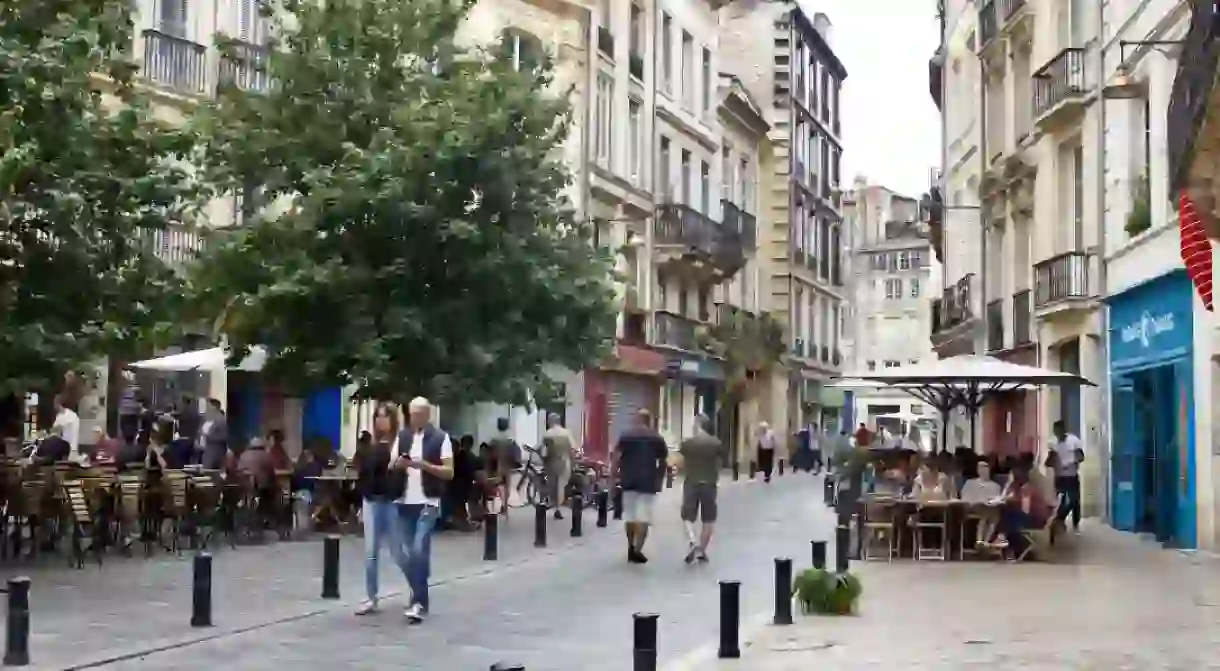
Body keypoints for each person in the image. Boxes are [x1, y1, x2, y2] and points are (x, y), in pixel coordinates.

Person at [393, 396, 454, 623]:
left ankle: (417, 602)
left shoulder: (441, 438)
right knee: (408, 555)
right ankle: (421, 596)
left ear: (428, 414)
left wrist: (423, 465)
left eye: (418, 414)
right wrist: (398, 464)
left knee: (418, 550)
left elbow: (449, 472)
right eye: (411, 414)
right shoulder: (403, 437)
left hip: (428, 502)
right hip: (404, 502)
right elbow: (392, 465)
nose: (414, 418)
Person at [354, 402, 411, 617]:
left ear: (393, 420)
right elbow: (364, 474)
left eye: (385, 417)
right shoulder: (371, 446)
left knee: (397, 552)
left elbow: (401, 475)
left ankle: (416, 588)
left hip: (390, 503)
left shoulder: (399, 445)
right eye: (378, 417)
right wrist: (365, 494)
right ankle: (371, 597)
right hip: (371, 501)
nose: (380, 421)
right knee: (371, 552)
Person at [612, 409, 668, 564]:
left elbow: (616, 458)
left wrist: (613, 478)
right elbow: (663, 461)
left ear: (637, 420)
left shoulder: (626, 436)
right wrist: (660, 479)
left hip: (628, 481)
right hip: (648, 482)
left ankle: (630, 546)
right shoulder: (656, 438)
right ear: (649, 421)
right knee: (644, 518)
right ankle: (638, 550)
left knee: (630, 516)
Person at [676, 415, 722, 563]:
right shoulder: (716, 443)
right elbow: (720, 463)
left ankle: (692, 541)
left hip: (691, 482)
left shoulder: (687, 444)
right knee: (709, 518)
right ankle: (701, 550)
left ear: (698, 425)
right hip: (709, 483)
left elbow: (680, 463)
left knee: (687, 516)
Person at [987, 462, 1051, 558]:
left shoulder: (1027, 489)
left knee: (1009, 515)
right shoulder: (1022, 487)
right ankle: (1000, 539)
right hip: (1032, 518)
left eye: (1011, 475)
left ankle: (998, 539)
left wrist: (1013, 501)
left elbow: (1025, 510)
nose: (1008, 477)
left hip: (1035, 520)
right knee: (1008, 515)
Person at [1049, 420, 1083, 533]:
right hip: (1059, 477)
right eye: (1055, 432)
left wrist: (1072, 461)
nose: (1057, 434)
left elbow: (1081, 456)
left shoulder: (1073, 440)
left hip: (1072, 475)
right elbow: (1050, 459)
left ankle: (1075, 523)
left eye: (1058, 431)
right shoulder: (1053, 442)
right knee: (1060, 501)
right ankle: (1060, 521)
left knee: (1074, 500)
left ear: (1063, 430)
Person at [541, 413, 575, 519]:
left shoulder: (547, 433)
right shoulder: (567, 433)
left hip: (551, 462)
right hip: (564, 461)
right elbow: (572, 448)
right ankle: (558, 509)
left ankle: (554, 505)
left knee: (553, 485)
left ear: (550, 421)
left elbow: (542, 450)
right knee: (561, 485)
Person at [486, 418, 517, 514]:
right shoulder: (510, 438)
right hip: (507, 464)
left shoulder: (494, 438)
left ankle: (497, 505)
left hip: (497, 464)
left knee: (497, 485)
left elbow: (488, 450)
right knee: (507, 486)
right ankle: (505, 505)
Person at [198, 399, 229, 470]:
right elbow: (200, 431)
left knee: (209, 473)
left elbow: (224, 436)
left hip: (214, 452)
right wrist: (197, 439)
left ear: (214, 407)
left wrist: (208, 436)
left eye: (208, 406)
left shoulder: (221, 420)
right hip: (202, 450)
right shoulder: (206, 418)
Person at [52, 394, 80, 458]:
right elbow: (55, 431)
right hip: (64, 446)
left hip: (70, 447)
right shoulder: (59, 416)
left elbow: (57, 430)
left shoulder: (72, 416)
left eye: (54, 404)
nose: (54, 406)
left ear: (57, 404)